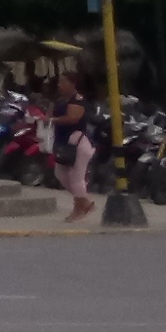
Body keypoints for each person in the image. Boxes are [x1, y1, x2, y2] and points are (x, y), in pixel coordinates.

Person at [47, 67, 101, 223]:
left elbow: (72, 118)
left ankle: (78, 209)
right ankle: (85, 203)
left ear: (72, 83)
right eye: (59, 82)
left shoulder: (77, 100)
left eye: (63, 82)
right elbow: (49, 114)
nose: (59, 85)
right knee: (61, 174)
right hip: (62, 143)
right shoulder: (60, 100)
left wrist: (53, 120)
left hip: (76, 142)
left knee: (76, 177)